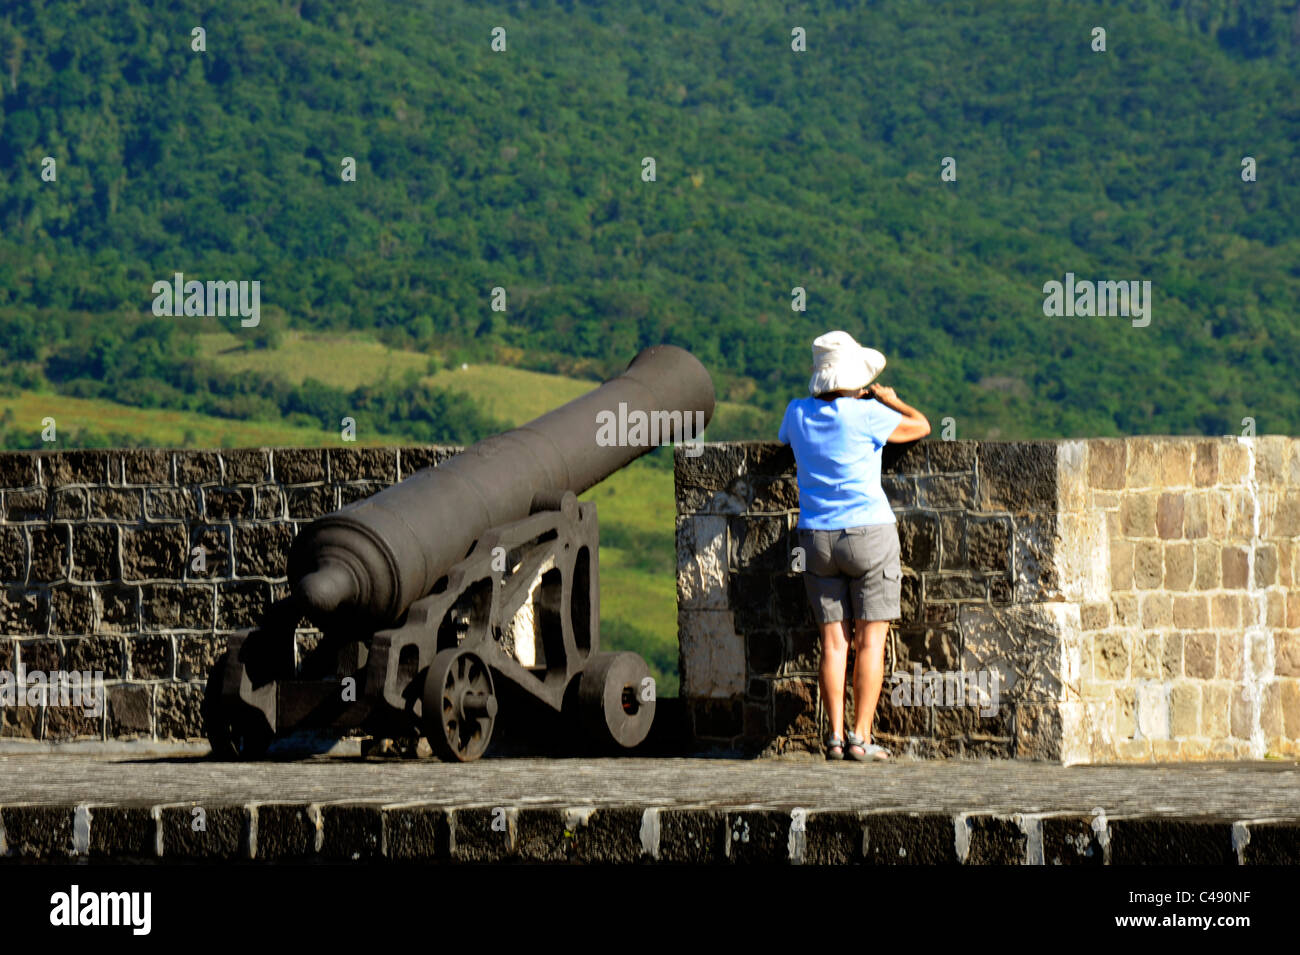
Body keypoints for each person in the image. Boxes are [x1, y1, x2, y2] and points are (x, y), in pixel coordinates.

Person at [777, 331, 930, 761]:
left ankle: (835, 737)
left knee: (833, 644)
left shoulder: (797, 412)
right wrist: (889, 399)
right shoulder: (868, 415)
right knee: (870, 642)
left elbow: (784, 440)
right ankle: (861, 738)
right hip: (868, 534)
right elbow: (922, 426)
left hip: (816, 538)